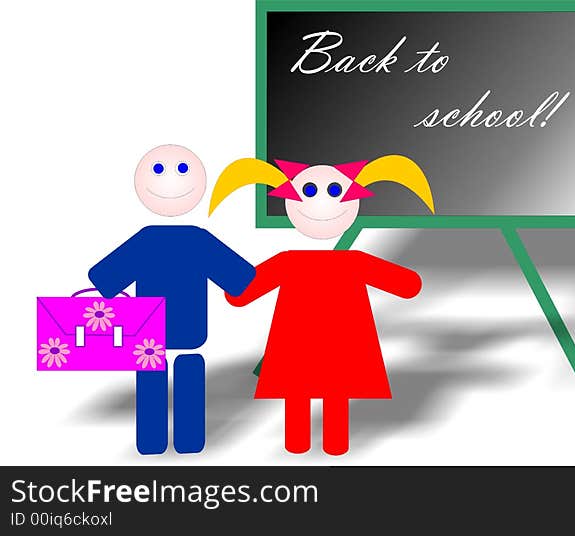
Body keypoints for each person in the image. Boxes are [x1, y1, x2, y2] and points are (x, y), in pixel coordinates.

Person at [209, 155, 434, 454]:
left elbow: (238, 294)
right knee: (335, 392)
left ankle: (298, 444)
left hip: (296, 348)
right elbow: (409, 286)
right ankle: (334, 445)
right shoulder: (354, 263)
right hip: (341, 348)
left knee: (299, 393)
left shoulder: (288, 262)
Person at [89, 144, 255, 455]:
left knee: (150, 375)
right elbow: (241, 279)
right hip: (190, 331)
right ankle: (190, 441)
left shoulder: (146, 240)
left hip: (149, 332)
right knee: (189, 372)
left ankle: (151, 442)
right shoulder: (198, 240)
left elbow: (103, 281)